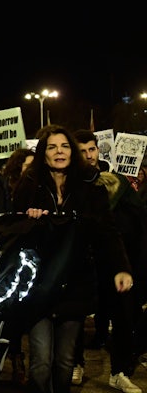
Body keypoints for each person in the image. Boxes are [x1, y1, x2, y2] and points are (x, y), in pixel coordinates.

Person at [13, 124, 134, 393]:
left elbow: (107, 232)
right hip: (37, 286)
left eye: (65, 146)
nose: (59, 151)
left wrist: (120, 268)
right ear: (43, 153)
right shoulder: (28, 185)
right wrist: (28, 220)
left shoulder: (91, 186)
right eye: (53, 147)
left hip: (74, 284)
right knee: (41, 362)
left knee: (66, 362)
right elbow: (13, 230)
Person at [72, 128, 147, 392]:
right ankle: (76, 363)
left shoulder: (118, 183)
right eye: (81, 151)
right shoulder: (69, 185)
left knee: (123, 317)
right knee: (76, 317)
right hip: (81, 265)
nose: (88, 155)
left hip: (115, 263)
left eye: (91, 149)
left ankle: (120, 371)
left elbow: (137, 222)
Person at [0, 147, 35, 386]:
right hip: (6, 259)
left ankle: (18, 358)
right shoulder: (5, 191)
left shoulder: (38, 191)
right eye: (27, 165)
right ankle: (13, 357)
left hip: (27, 260)